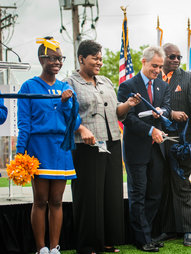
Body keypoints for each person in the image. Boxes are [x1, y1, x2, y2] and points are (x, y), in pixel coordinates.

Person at [64, 40, 140, 254]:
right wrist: (80, 130)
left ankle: (107, 240)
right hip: (87, 146)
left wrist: (129, 105)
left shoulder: (105, 81)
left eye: (100, 58)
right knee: (90, 195)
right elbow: (66, 114)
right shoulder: (69, 83)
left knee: (111, 193)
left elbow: (116, 111)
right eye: (95, 58)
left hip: (112, 143)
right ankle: (88, 244)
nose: (99, 61)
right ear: (81, 59)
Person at [16, 37, 77, 254]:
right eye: (53, 58)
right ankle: (41, 248)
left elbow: (74, 123)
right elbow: (24, 123)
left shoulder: (65, 87)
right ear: (42, 59)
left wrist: (66, 103)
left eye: (60, 59)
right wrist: (20, 153)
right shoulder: (29, 86)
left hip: (60, 149)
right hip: (38, 149)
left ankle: (54, 248)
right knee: (40, 200)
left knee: (57, 201)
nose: (57, 62)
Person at [117, 46, 170, 252]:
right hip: (136, 150)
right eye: (154, 66)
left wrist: (162, 112)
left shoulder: (162, 85)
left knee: (155, 193)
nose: (157, 70)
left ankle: (147, 233)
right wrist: (150, 131)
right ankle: (141, 239)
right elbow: (127, 118)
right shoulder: (128, 85)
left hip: (157, 150)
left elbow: (166, 106)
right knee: (138, 194)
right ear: (143, 62)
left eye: (159, 67)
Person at [157, 43, 191, 247]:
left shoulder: (189, 78)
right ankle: (167, 229)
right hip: (156, 141)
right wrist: (169, 114)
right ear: (162, 57)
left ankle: (188, 230)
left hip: (182, 142)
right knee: (162, 187)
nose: (176, 60)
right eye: (172, 56)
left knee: (183, 184)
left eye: (179, 57)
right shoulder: (153, 77)